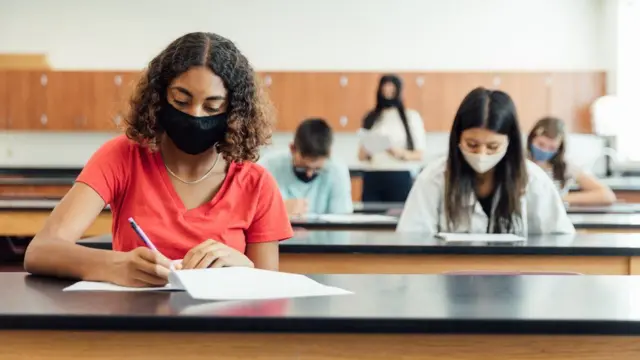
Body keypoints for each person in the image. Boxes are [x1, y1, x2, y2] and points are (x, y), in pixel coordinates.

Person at [23, 32, 293, 287]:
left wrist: (243, 266)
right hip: (136, 327)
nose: (195, 115)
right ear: (159, 97)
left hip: (221, 331)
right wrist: (114, 265)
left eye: (212, 107)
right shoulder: (123, 157)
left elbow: (269, 287)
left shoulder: (256, 184)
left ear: (234, 112)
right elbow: (41, 251)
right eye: (181, 100)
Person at [397, 87, 575, 235]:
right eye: (472, 144)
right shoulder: (433, 178)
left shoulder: (534, 180)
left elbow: (560, 237)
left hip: (517, 275)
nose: (481, 154)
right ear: (457, 138)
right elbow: (412, 239)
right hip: (449, 275)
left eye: (493, 146)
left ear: (509, 143)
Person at [259, 118, 352, 217]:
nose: (309, 174)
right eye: (303, 168)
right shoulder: (268, 166)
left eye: (317, 170)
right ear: (292, 149)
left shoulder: (337, 171)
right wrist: (277, 209)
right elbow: (253, 214)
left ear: (329, 155)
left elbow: (341, 219)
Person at [357, 74, 427, 203]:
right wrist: (371, 147)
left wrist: (395, 151)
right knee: (370, 219)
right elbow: (360, 155)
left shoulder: (411, 116)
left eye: (392, 89)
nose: (388, 92)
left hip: (399, 175)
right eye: (385, 89)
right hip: (373, 174)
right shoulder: (370, 118)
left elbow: (419, 154)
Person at [527, 117, 616, 205]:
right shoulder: (520, 162)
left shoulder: (565, 167)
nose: (545, 150)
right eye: (540, 144)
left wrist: (560, 199)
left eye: (552, 148)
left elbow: (606, 195)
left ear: (559, 149)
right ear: (531, 139)